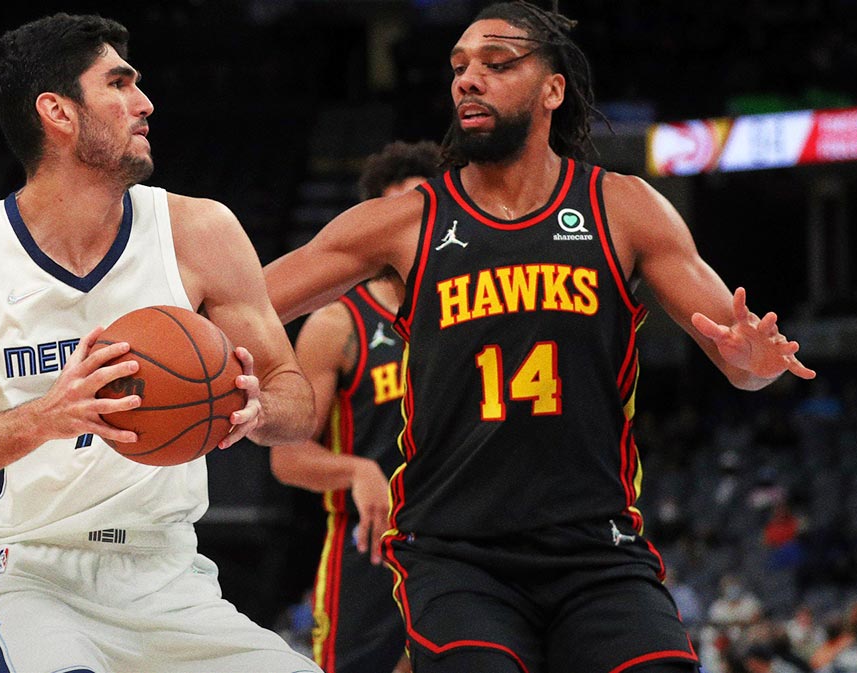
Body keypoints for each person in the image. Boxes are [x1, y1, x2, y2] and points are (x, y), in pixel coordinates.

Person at [262, 2, 815, 671]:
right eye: (459, 67)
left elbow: (742, 360)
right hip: (458, 553)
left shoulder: (624, 207)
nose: (468, 79)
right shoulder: (402, 223)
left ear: (553, 89)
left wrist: (754, 366)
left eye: (496, 64)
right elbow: (248, 300)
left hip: (597, 551)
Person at [0, 13, 318, 673]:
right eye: (119, 84)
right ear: (58, 112)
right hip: (33, 575)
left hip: (169, 573)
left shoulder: (200, 231)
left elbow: (296, 397)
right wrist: (45, 417)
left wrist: (260, 409)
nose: (145, 102)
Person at [270, 140, 441, 673]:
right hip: (370, 549)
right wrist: (357, 469)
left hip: (462, 538)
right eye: (393, 212)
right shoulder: (337, 323)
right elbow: (287, 456)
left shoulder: (475, 305)